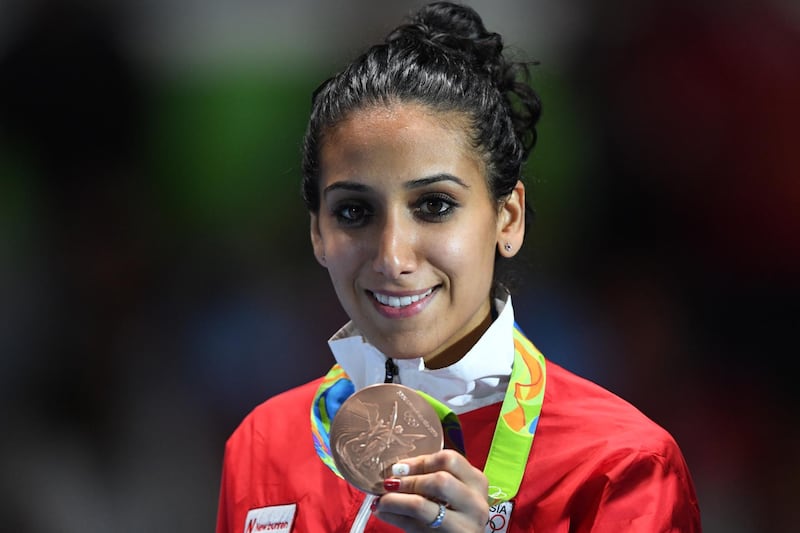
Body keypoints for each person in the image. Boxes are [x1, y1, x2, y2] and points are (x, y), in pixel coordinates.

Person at [215, 2, 701, 532]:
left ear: (507, 219)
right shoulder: (262, 447)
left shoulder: (619, 467)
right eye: (354, 212)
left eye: (434, 206)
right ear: (318, 233)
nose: (392, 257)